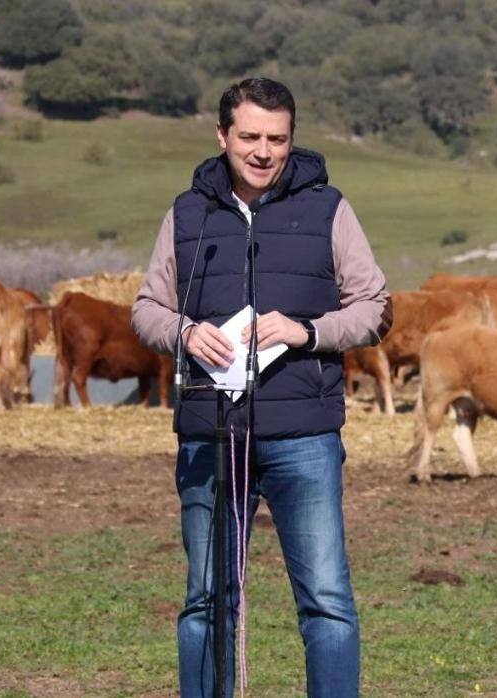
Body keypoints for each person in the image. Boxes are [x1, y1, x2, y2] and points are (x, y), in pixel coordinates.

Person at [132, 77, 390, 698]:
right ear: (222, 135)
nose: (263, 151)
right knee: (205, 599)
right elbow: (146, 310)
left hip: (305, 437)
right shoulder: (187, 213)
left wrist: (307, 332)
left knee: (327, 600)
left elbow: (376, 309)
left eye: (277, 138)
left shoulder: (329, 209)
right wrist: (185, 333)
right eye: (250, 136)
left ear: (292, 138)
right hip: (211, 435)